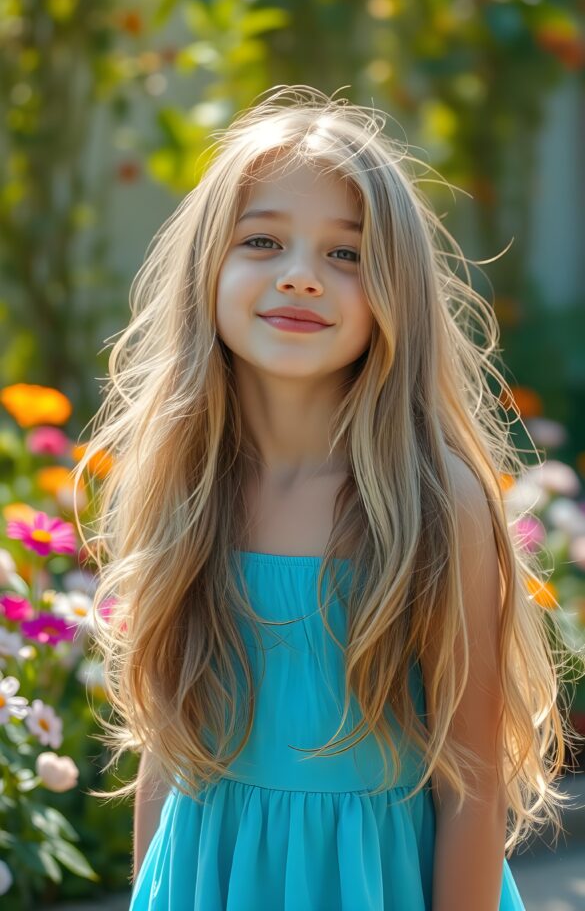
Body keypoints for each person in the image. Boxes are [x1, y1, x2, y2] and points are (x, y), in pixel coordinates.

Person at [76, 85, 582, 910]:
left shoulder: (432, 502)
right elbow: (167, 760)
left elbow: (471, 785)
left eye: (345, 254)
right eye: (263, 241)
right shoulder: (181, 485)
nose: (301, 277)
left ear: (398, 292)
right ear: (207, 268)